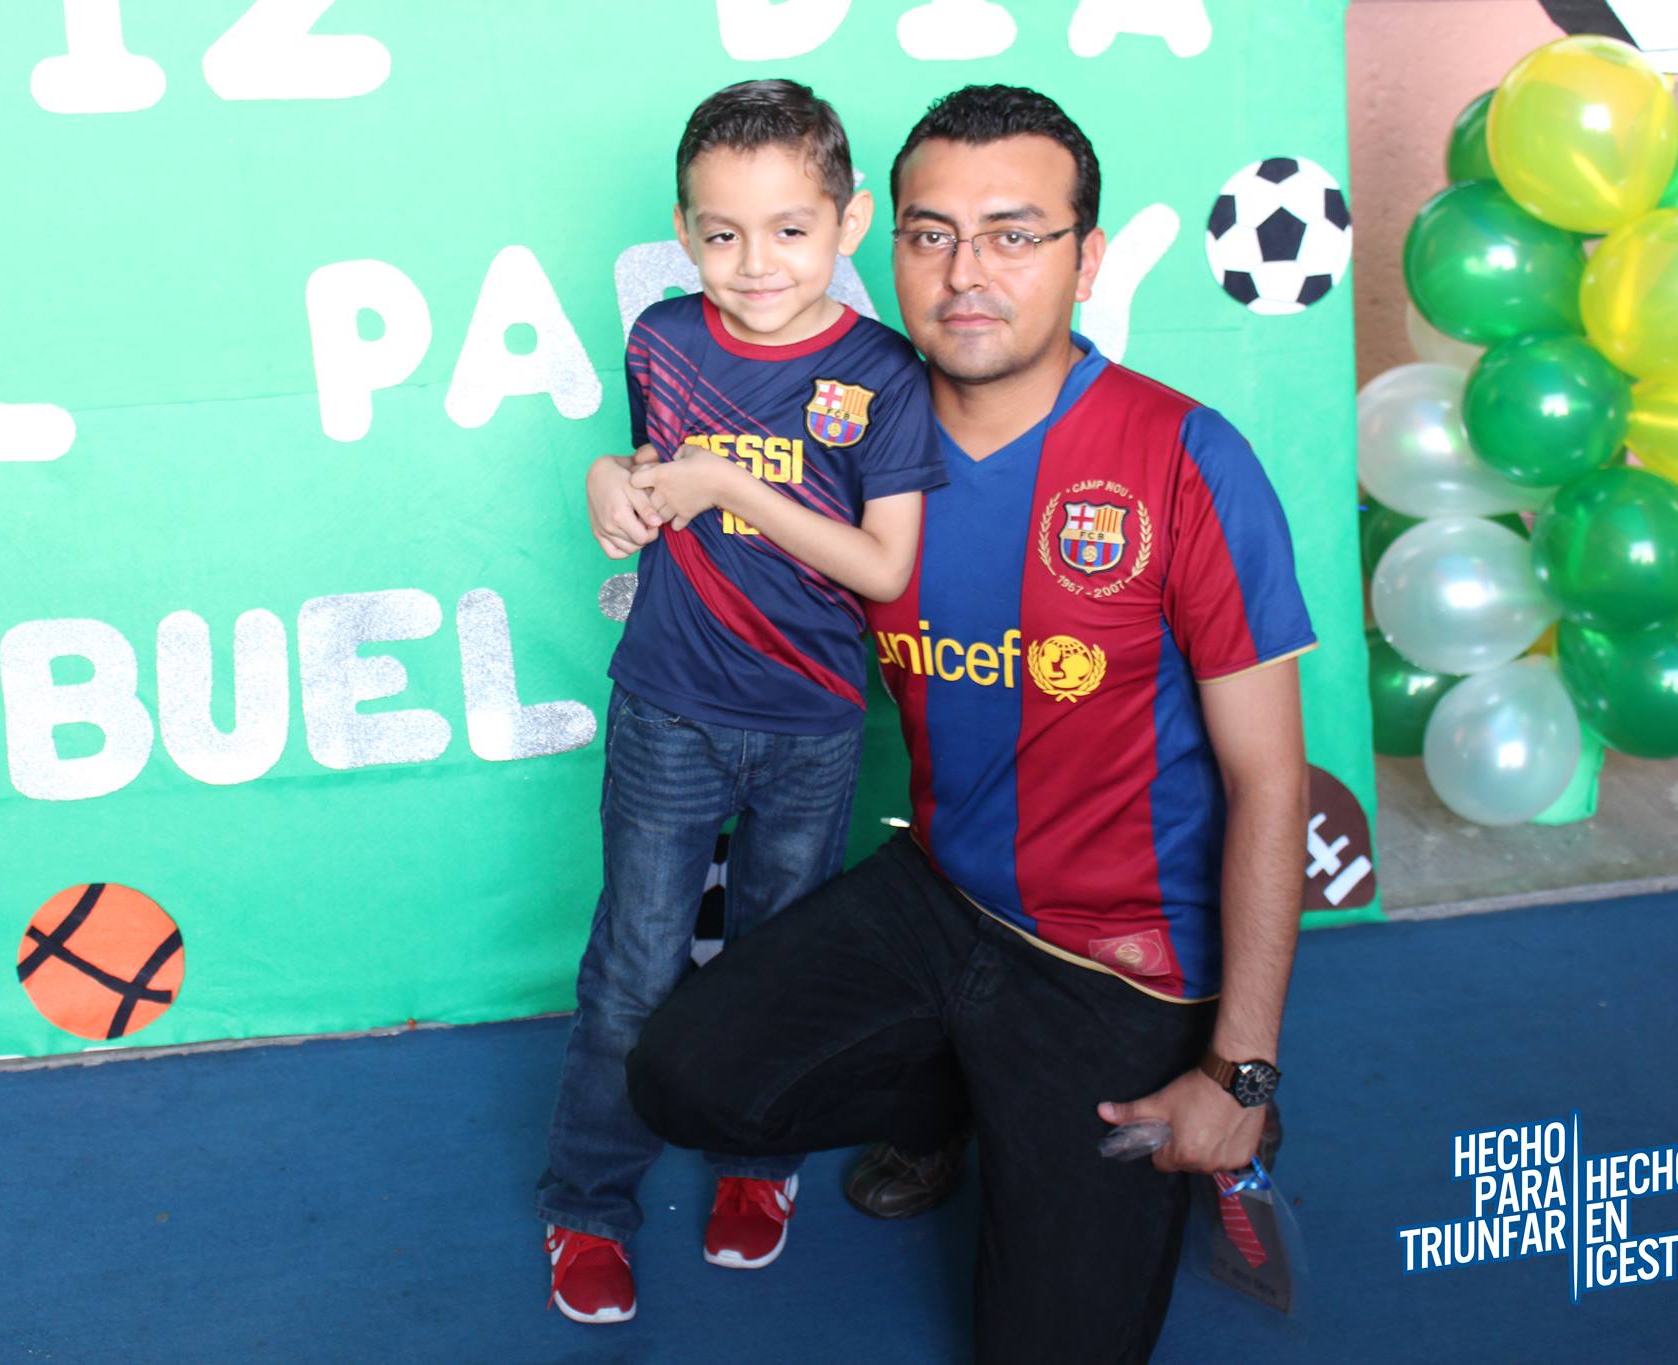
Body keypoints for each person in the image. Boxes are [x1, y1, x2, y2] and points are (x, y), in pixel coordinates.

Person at [626, 84, 1315, 1363]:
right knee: (683, 1076)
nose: (964, 273)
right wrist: (618, 481)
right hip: (940, 894)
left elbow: (1269, 781)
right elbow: (685, 494)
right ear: (881, 244)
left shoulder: (1184, 458)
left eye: (1012, 234)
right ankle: (954, 1099)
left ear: (1085, 259)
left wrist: (1241, 1072)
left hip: (1119, 963)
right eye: (931, 234)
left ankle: (1093, 1109)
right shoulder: (843, 440)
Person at [538, 78, 949, 1325]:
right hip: (668, 705)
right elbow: (653, 473)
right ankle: (587, 1202)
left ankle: (756, 1165)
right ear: (683, 229)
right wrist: (612, 478)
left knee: (777, 963)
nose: (754, 263)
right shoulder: (663, 339)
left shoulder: (881, 372)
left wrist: (731, 485)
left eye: (788, 229)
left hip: (811, 723)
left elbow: (883, 567)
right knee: (633, 969)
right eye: (721, 233)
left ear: (848, 221)